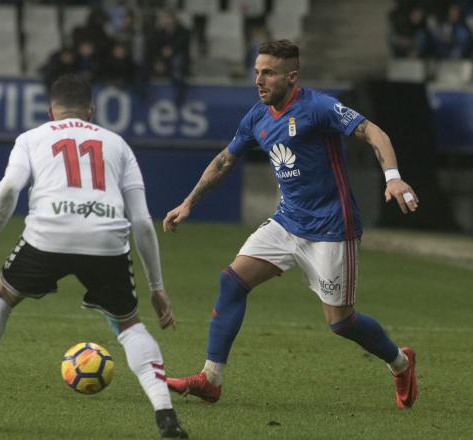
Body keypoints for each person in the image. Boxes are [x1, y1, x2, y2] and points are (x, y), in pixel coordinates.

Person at [0, 75, 188, 439]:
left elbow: (9, 189)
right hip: (106, 240)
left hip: (47, 235)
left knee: (0, 298)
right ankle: (166, 418)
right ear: (91, 111)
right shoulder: (118, 144)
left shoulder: (31, 138)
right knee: (129, 326)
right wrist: (157, 287)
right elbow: (141, 220)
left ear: (50, 111)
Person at [162, 40, 419, 410]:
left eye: (268, 73)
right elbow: (224, 161)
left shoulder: (318, 107)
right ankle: (211, 379)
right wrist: (188, 202)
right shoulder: (258, 117)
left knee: (340, 323)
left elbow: (374, 133)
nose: (259, 80)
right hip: (287, 221)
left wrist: (392, 177)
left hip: (332, 227)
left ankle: (401, 362)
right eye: (256, 72)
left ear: (291, 76)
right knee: (231, 281)